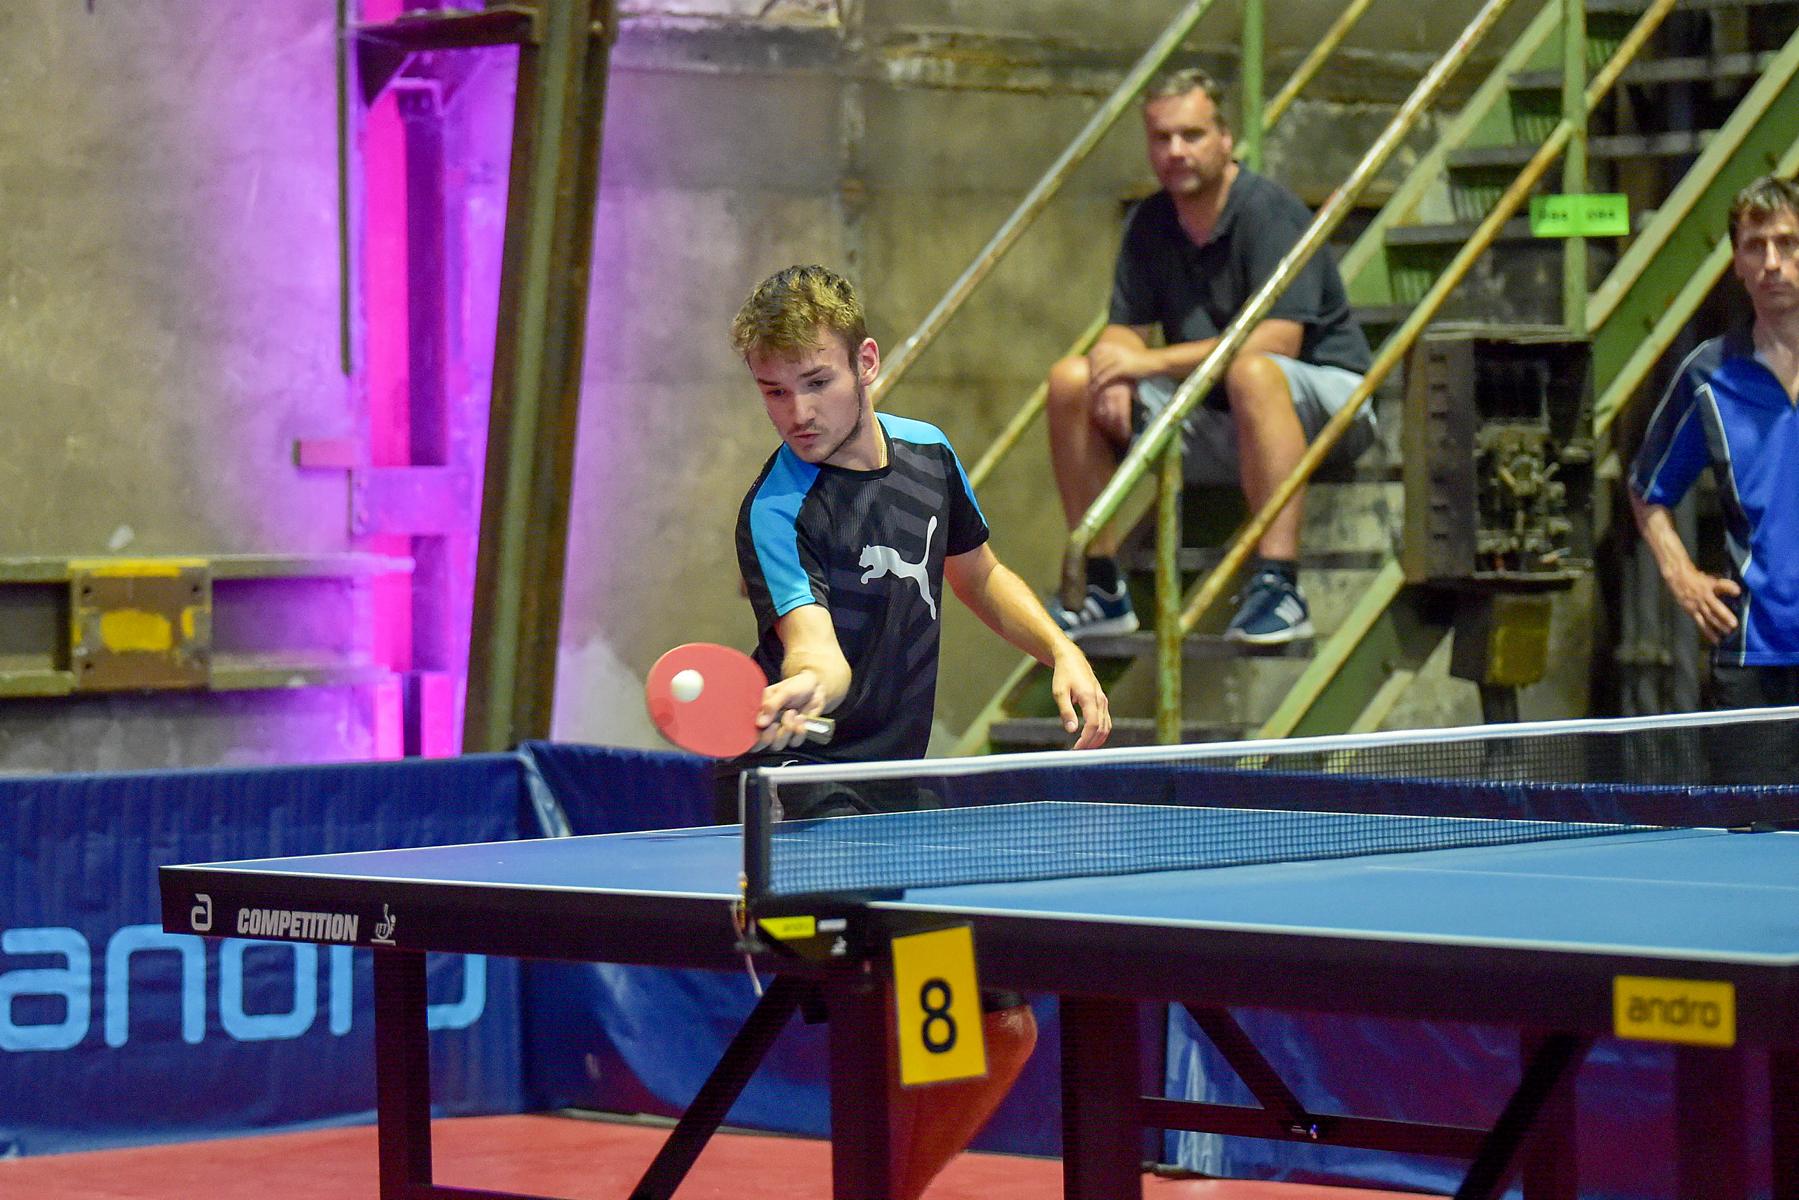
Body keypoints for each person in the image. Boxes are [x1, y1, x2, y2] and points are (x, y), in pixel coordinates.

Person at [724, 263, 1111, 1199]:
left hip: (899, 797)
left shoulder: (930, 457)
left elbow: (979, 576)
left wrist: (1060, 648)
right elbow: (817, 649)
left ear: (867, 363)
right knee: (898, 1018)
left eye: (815, 382)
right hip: (808, 805)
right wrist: (807, 684)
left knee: (998, 1031)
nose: (796, 413)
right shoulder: (777, 510)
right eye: (773, 391)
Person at [1045, 66, 1376, 645]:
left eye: (1192, 135)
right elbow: (1122, 331)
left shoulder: (1270, 213)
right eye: (1161, 138)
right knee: (1071, 379)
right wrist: (1112, 370)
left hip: (1327, 407)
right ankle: (1100, 588)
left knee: (1254, 372)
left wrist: (1145, 364)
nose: (1175, 151)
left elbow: (1277, 342)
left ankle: (1280, 586)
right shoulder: (1151, 221)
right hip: (1215, 412)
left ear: (1225, 139)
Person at [1629, 174, 1799, 710]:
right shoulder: (1708, 376)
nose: (1772, 262)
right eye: (1755, 247)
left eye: (1787, 243)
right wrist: (1681, 576)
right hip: (1753, 659)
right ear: (1737, 263)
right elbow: (1646, 489)